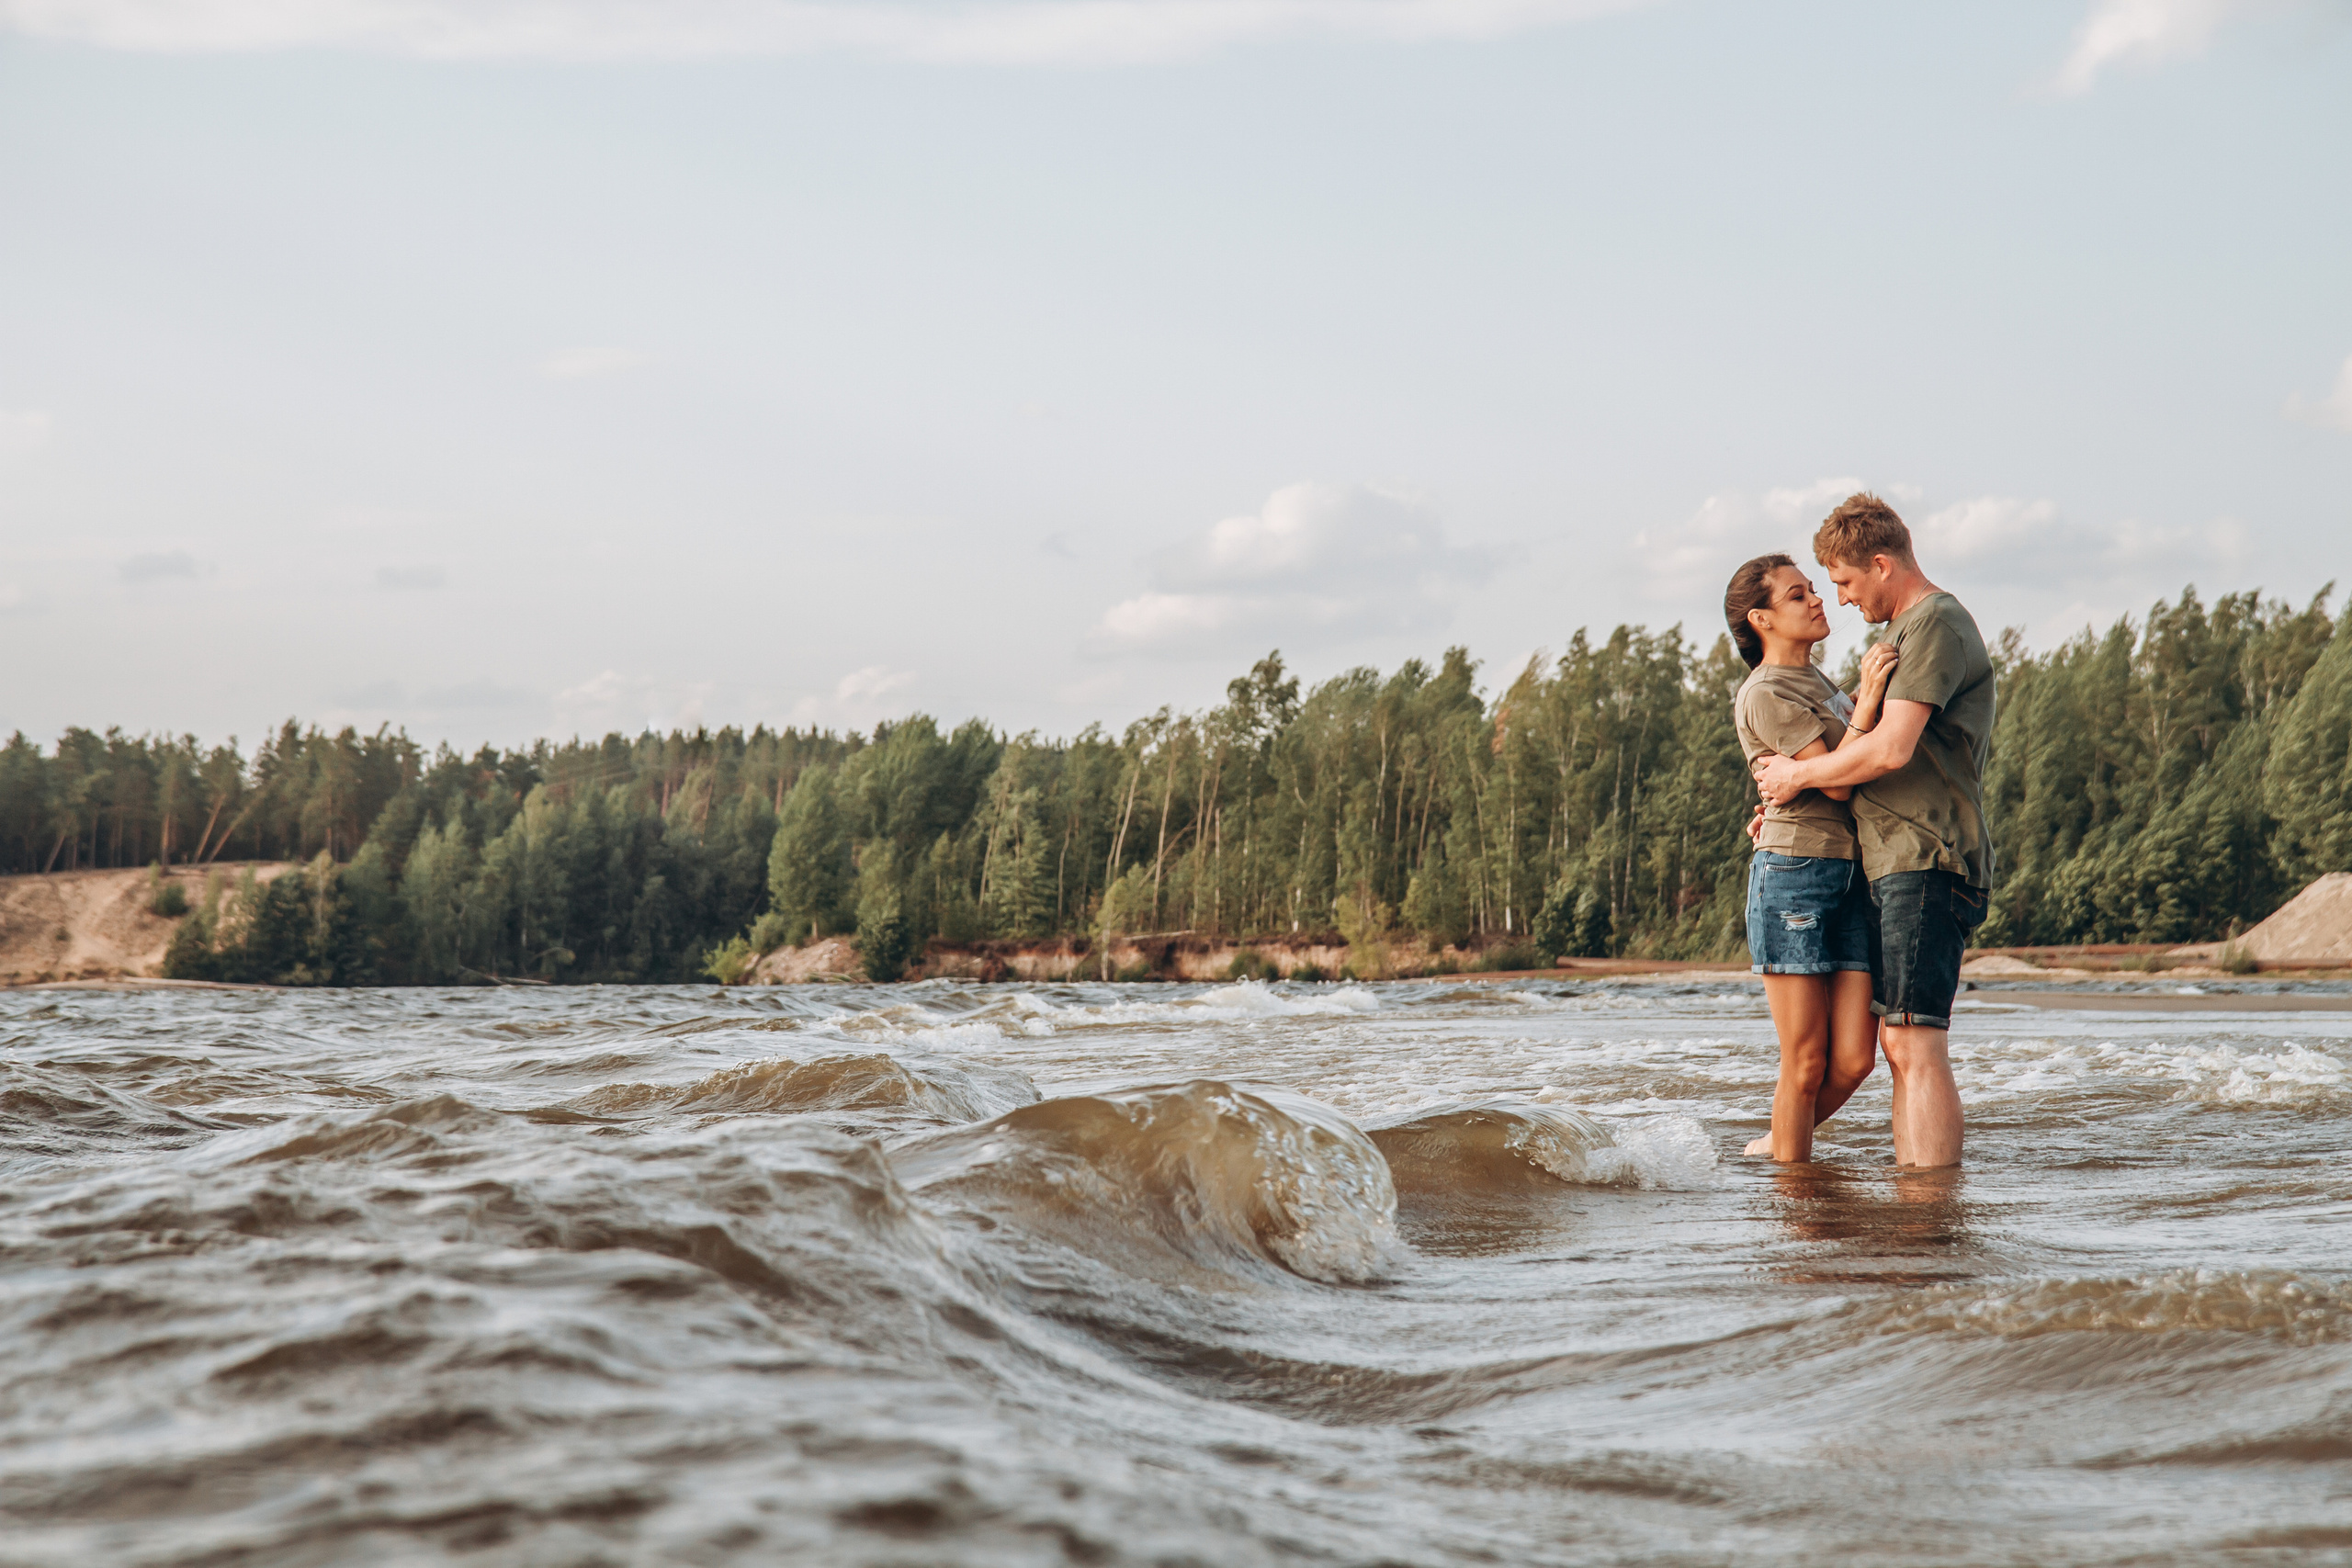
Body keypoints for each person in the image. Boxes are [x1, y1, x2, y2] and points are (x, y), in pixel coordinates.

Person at [1752, 494, 1996, 1169]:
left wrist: (1799, 780)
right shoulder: (1907, 632)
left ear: (1882, 564)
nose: (1843, 599)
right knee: (1898, 1045)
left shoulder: (1936, 623)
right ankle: (1914, 1200)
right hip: (1892, 861)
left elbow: (1889, 749)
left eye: (1846, 582)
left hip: (1927, 854)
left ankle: (1927, 1215)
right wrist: (1787, 804)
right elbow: (1856, 759)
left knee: (1914, 1043)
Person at [1723, 553, 1898, 1162]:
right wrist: (1871, 695)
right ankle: (1794, 1211)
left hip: (1851, 875)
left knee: (1853, 1060)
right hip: (1795, 877)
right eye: (1798, 595)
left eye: (1813, 589)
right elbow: (1841, 781)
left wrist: (1857, 699)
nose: (1819, 599)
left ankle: (1775, 1145)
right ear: (1761, 619)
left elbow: (1837, 761)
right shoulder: (1766, 692)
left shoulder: (1819, 684)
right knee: (1803, 1063)